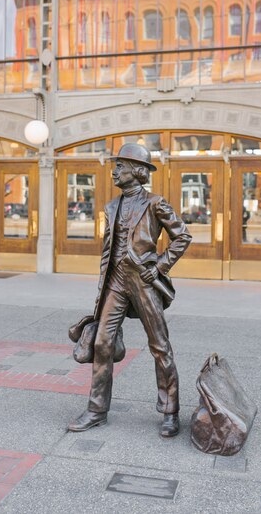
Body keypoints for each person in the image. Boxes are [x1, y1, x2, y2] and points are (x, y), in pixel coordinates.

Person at [68, 143, 192, 438]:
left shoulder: (155, 203)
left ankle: (170, 411)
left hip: (144, 281)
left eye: (120, 166)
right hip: (116, 282)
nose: (115, 171)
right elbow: (108, 249)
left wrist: (160, 266)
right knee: (101, 343)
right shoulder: (112, 206)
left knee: (160, 346)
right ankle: (97, 410)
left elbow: (183, 236)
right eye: (116, 166)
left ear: (137, 171)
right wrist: (103, 285)